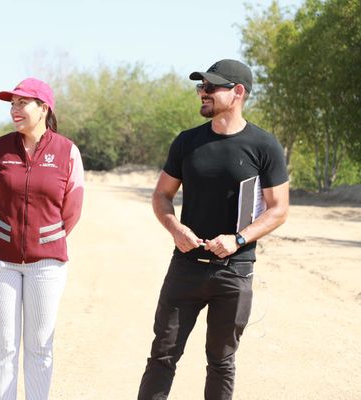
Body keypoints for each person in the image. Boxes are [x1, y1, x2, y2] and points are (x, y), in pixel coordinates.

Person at [137, 59, 289, 400]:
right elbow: (162, 195)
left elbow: (279, 209)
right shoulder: (187, 142)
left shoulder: (264, 146)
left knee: (221, 362)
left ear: (237, 92)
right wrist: (175, 228)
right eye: (200, 87)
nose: (202, 93)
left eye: (210, 87)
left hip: (234, 273)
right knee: (162, 356)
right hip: (185, 268)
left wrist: (237, 240)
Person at [0, 77, 84, 400]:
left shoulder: (67, 151)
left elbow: (72, 209)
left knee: (40, 345)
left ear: (43, 108)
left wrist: (44, 238)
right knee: (4, 345)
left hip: (46, 263)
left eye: (22, 103)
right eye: (12, 103)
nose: (14, 109)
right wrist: (9, 234)